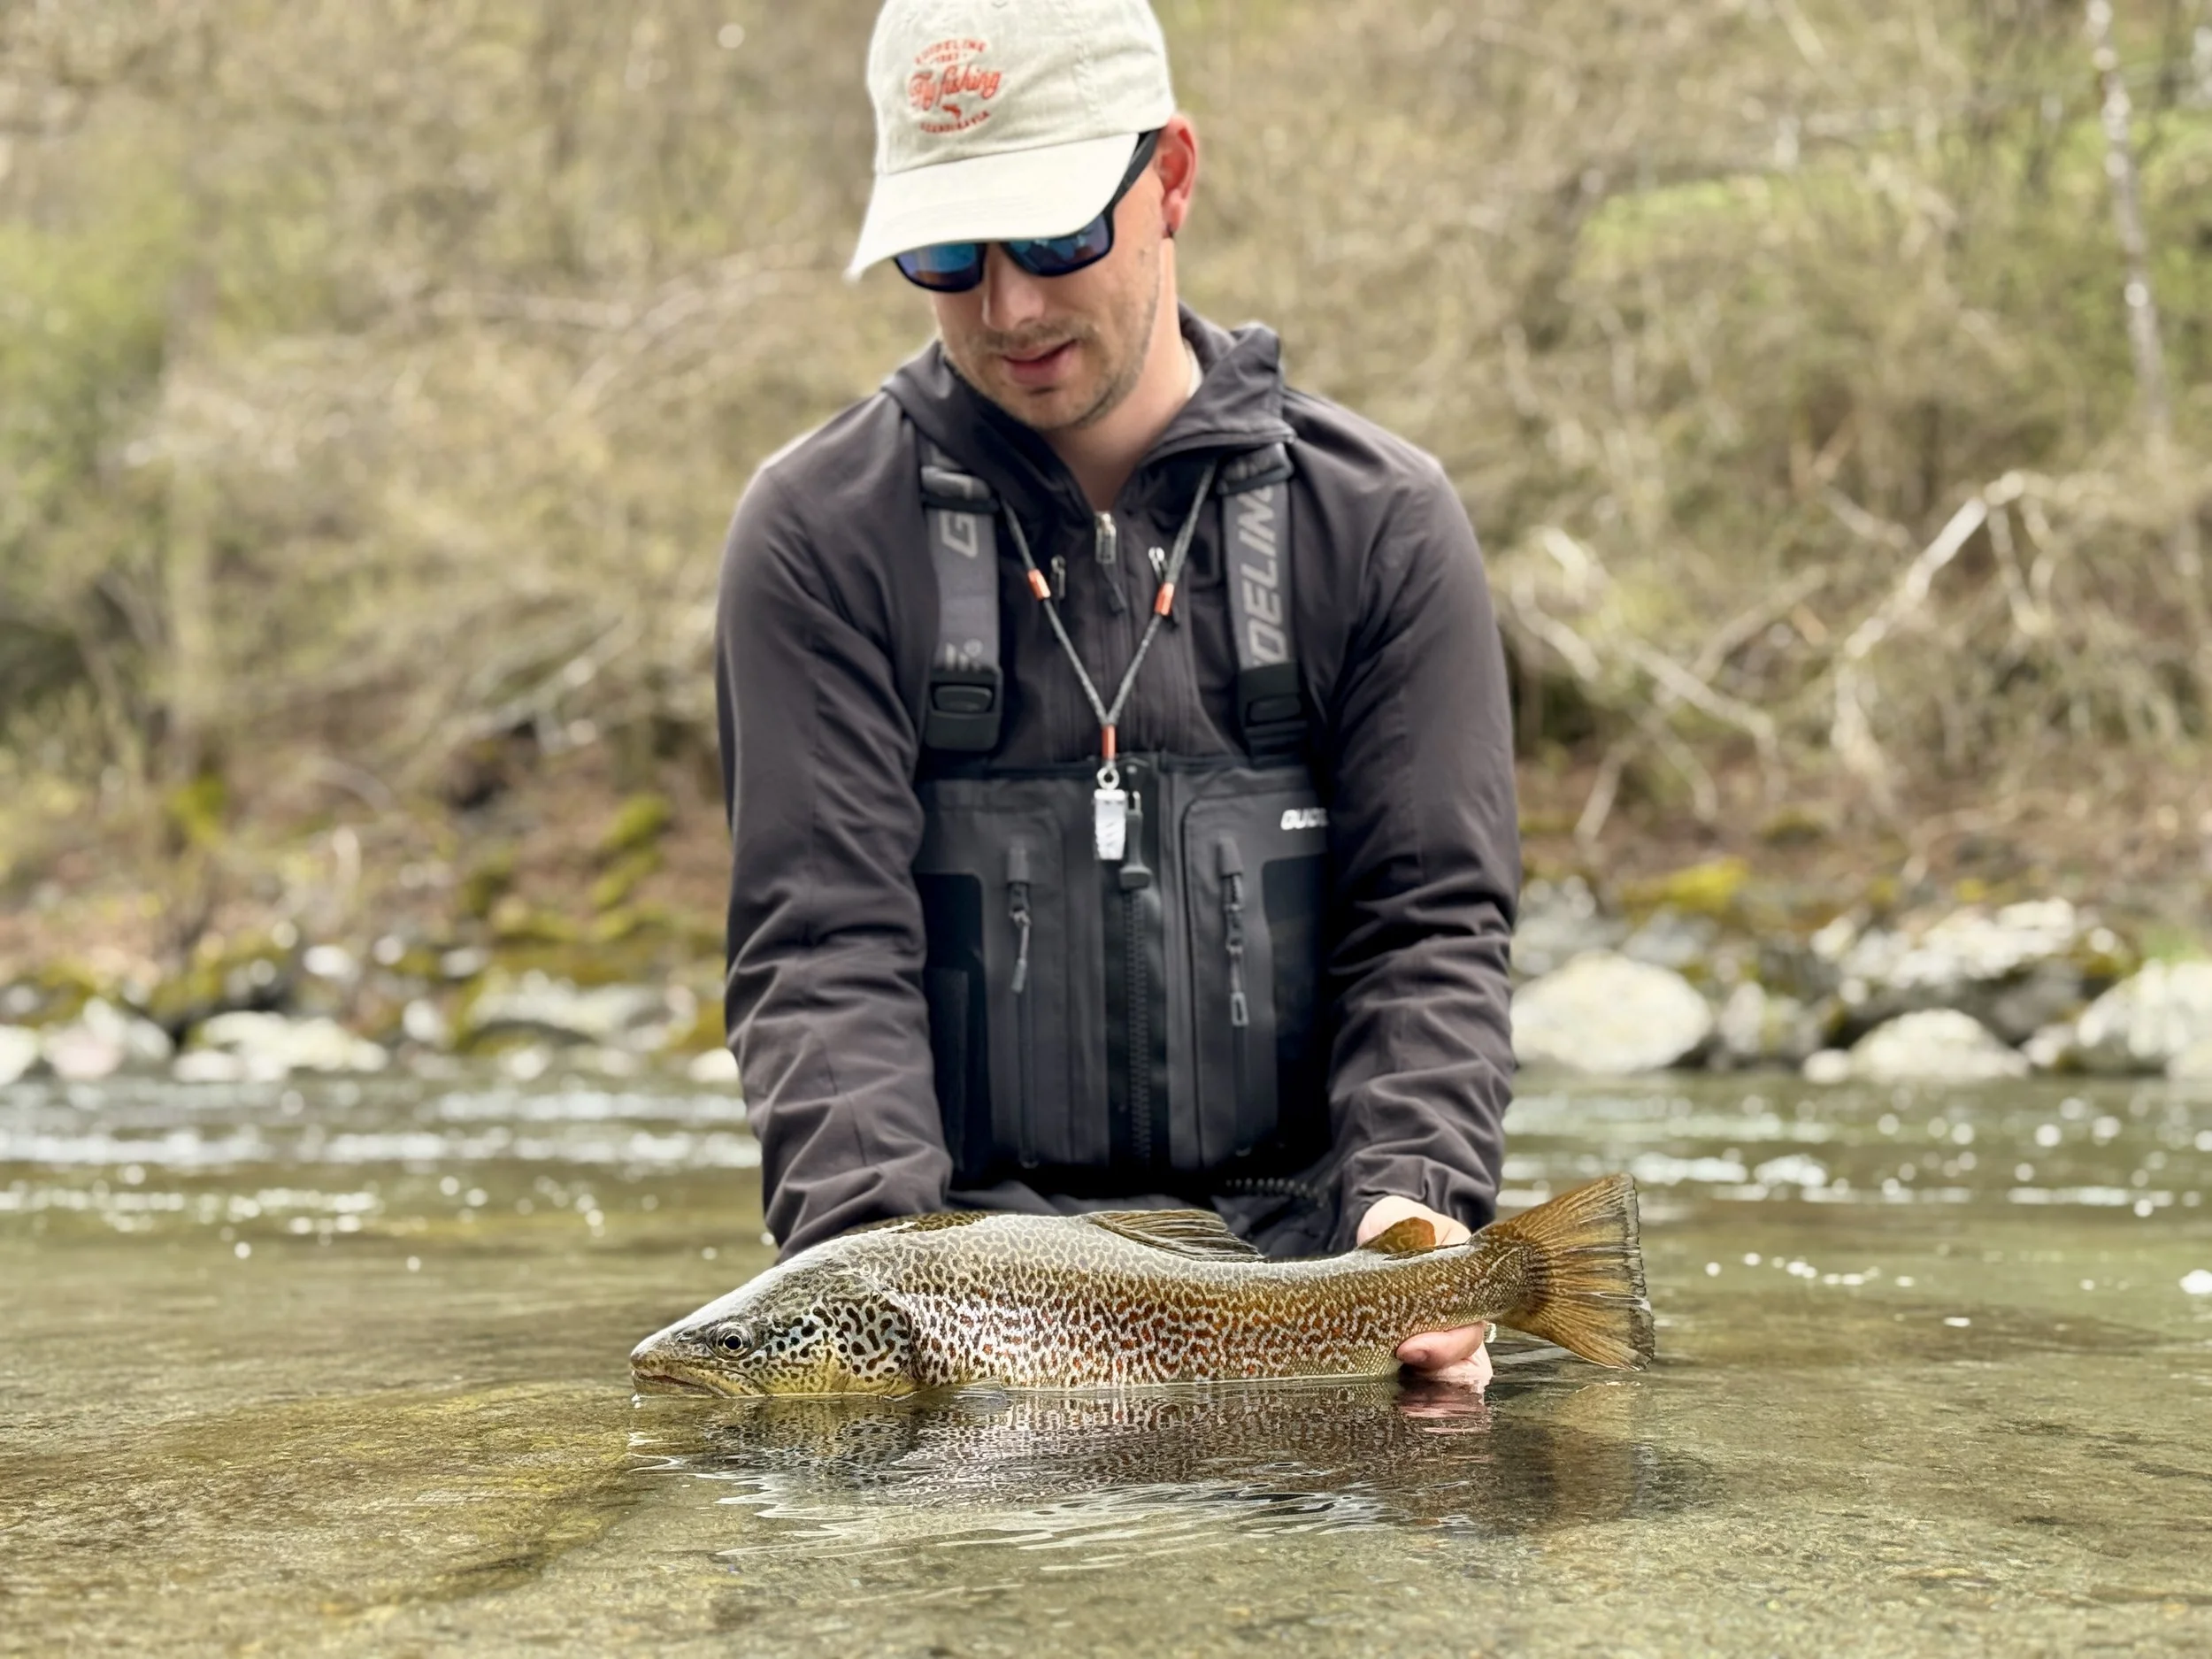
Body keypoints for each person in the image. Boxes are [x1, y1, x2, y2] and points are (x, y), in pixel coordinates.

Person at [713, 0, 1518, 1386]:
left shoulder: (1378, 524)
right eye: (947, 253)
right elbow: (822, 950)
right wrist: (880, 1282)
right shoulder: (817, 536)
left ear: (1175, 179)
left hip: (1313, 1288)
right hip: (972, 1293)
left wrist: (1413, 1202)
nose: (1009, 305)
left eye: (1055, 235)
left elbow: (1430, 927)